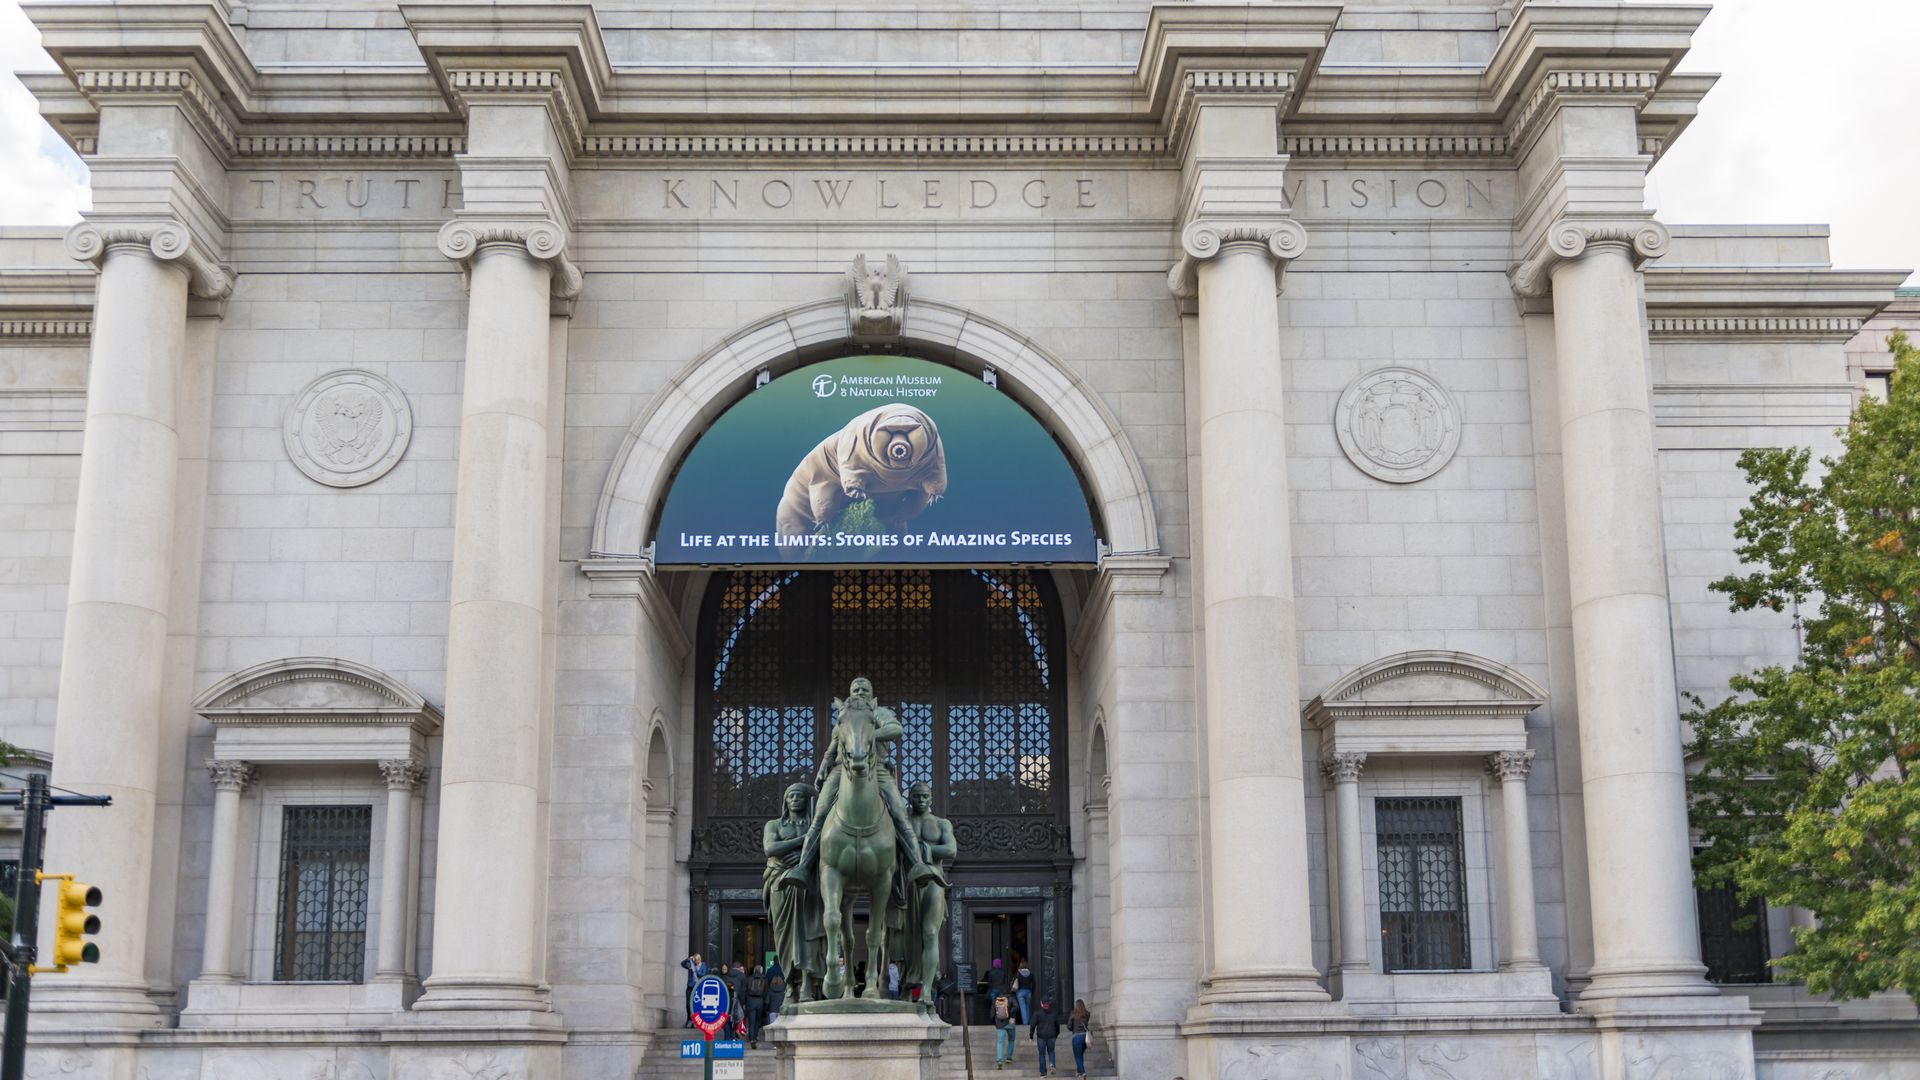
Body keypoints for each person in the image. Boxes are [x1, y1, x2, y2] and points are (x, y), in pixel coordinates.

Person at [1031, 998, 1060, 1077]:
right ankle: (1052, 1064)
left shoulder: (1037, 1013)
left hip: (1041, 1036)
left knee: (1042, 1054)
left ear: (1041, 1003)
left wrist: (1031, 1035)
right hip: (1051, 1036)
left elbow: (1032, 1025)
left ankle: (1043, 1073)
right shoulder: (1054, 1013)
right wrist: (1056, 1034)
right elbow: (1057, 1025)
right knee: (1051, 1052)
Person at [680, 953, 706, 1027]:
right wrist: (688, 959)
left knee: (696, 1005)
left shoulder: (703, 965)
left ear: (700, 959)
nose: (696, 962)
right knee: (688, 1004)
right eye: (695, 960)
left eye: (697, 960)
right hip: (690, 987)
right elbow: (682, 964)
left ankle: (696, 1021)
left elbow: (703, 974)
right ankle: (689, 1019)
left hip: (698, 988)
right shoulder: (691, 965)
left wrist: (695, 970)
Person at [1068, 999, 1092, 1078]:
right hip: (1085, 1038)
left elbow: (1069, 1026)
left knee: (1077, 1056)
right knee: (1080, 1055)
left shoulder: (1073, 1013)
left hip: (1077, 1037)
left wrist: (1073, 1029)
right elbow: (1086, 1024)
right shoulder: (1087, 1014)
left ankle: (1083, 1072)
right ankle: (1079, 1072)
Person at [993, 992, 1016, 1070]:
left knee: (1000, 1042)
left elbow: (992, 1012)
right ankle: (1008, 1058)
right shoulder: (1011, 998)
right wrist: (1010, 1014)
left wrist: (994, 1022)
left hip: (1000, 1024)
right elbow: (1016, 1007)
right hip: (1010, 1022)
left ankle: (999, 1060)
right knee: (1011, 1040)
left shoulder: (996, 1000)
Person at [746, 963, 768, 1047]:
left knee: (751, 1021)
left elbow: (745, 991)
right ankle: (755, 1037)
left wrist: (745, 1001)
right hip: (760, 1002)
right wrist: (766, 1003)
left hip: (751, 1001)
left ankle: (751, 1038)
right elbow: (766, 993)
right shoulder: (764, 979)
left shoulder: (749, 978)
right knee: (758, 1021)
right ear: (761, 971)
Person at [1013, 959, 1035, 1025]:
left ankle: (1025, 1023)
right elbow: (1034, 984)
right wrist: (1032, 992)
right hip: (1028, 992)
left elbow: (1014, 982)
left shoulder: (1018, 973)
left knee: (1022, 1007)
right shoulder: (1031, 974)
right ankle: (1027, 1022)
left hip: (1020, 992)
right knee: (1027, 1006)